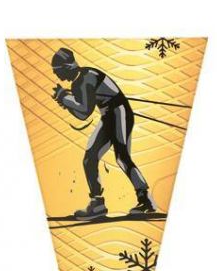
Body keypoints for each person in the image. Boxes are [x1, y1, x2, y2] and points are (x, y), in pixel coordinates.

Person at [51, 47, 156, 220]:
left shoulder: (85, 78)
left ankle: (145, 199)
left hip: (119, 112)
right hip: (109, 115)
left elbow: (84, 112)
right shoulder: (79, 80)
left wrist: (65, 98)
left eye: (58, 71)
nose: (57, 76)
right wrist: (66, 101)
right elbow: (82, 114)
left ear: (67, 67)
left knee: (122, 157)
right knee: (90, 158)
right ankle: (97, 204)